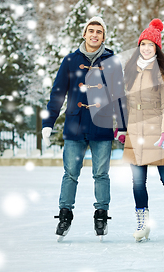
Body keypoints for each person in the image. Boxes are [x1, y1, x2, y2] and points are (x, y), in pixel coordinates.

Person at [42, 16, 127, 241]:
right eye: (91, 30)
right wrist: (48, 122)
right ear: (84, 34)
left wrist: (123, 125)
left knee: (101, 174)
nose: (94, 35)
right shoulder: (70, 60)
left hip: (102, 126)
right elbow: (57, 93)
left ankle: (101, 215)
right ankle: (65, 214)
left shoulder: (112, 62)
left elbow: (119, 96)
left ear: (103, 36)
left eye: (99, 32)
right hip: (75, 125)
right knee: (70, 173)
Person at [122, 19, 164, 242]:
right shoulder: (130, 70)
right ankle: (142, 223)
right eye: (143, 44)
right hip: (135, 133)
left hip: (158, 133)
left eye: (151, 45)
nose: (146, 48)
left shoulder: (163, 73)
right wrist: (121, 128)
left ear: (157, 48)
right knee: (138, 182)